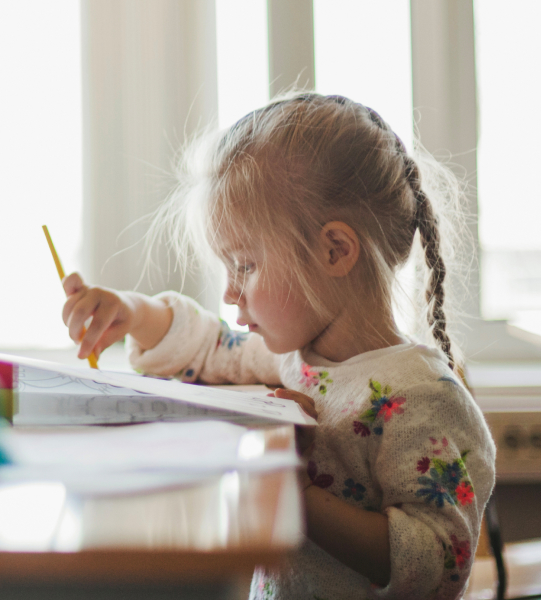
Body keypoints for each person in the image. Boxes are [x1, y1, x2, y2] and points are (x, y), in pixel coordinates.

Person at [60, 93, 495, 599]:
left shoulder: (421, 395)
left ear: (335, 251)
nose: (229, 292)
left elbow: (437, 566)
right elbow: (206, 349)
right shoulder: (291, 358)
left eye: (245, 264)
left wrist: (298, 492)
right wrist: (134, 313)